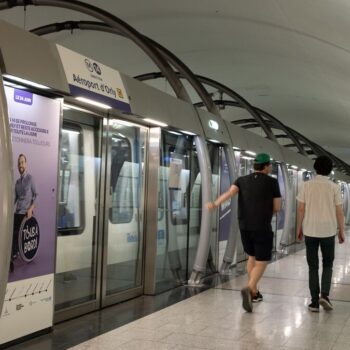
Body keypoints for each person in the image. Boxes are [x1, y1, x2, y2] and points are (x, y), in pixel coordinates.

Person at [207, 153, 281, 312]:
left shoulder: (241, 180)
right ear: (266, 166)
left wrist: (215, 204)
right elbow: (277, 207)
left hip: (245, 226)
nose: (271, 168)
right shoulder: (272, 182)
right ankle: (250, 287)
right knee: (262, 261)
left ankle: (254, 293)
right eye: (270, 166)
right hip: (262, 226)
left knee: (252, 257)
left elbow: (229, 194)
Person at [296, 155, 345, 312]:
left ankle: (314, 302)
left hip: (310, 230)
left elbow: (301, 209)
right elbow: (339, 211)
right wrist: (341, 230)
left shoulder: (306, 186)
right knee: (328, 264)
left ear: (315, 168)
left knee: (313, 266)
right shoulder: (334, 187)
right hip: (328, 231)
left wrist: (299, 228)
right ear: (330, 170)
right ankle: (324, 294)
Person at [11, 154, 38, 271]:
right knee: (10, 231)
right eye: (19, 163)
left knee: (16, 233)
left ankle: (13, 256)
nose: (20, 165)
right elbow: (14, 199)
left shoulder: (30, 179)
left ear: (26, 164)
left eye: (22, 162)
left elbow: (37, 196)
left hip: (27, 214)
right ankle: (12, 255)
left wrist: (31, 208)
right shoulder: (17, 183)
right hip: (18, 213)